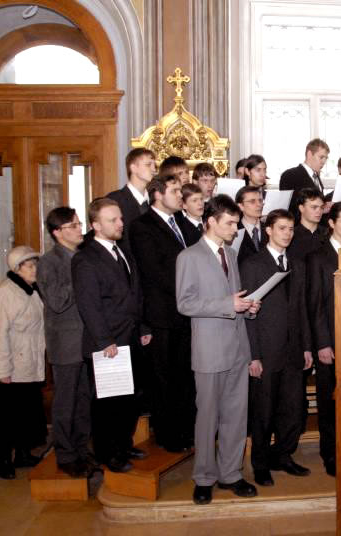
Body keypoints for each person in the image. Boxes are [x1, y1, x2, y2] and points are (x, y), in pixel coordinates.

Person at [176, 194, 261, 505]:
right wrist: (228, 305)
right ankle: (203, 478)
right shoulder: (189, 257)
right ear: (210, 221)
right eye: (230, 223)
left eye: (236, 224)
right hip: (209, 350)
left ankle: (231, 474)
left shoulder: (231, 254)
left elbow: (234, 299)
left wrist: (247, 308)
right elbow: (185, 303)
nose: (235, 229)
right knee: (208, 418)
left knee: (236, 417)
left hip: (238, 347)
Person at [72, 198, 152, 473]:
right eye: (112, 220)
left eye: (120, 219)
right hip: (107, 344)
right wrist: (105, 341)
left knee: (131, 398)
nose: (120, 224)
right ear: (95, 225)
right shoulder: (85, 258)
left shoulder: (123, 251)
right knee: (108, 404)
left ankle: (124, 444)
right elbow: (89, 305)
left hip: (131, 338)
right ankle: (108, 454)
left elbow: (136, 294)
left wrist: (143, 328)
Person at [241, 209, 313, 487]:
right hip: (266, 351)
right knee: (263, 411)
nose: (288, 234)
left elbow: (302, 309)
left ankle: (282, 455)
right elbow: (247, 315)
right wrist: (253, 356)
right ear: (268, 230)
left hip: (293, 350)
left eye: (291, 229)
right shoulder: (252, 264)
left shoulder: (297, 263)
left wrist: (306, 347)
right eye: (282, 228)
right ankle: (260, 464)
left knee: (292, 410)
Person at [129, 175, 196, 453]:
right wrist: (192, 288)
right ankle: (168, 435)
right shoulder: (142, 226)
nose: (181, 195)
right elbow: (155, 272)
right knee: (163, 379)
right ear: (157, 194)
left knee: (184, 376)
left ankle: (186, 430)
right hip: (161, 315)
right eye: (175, 190)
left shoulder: (181, 223)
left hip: (185, 312)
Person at [0, 245, 46, 479]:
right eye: (29, 266)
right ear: (17, 269)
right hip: (6, 370)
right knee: (7, 419)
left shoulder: (31, 291)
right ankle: (3, 459)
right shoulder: (4, 295)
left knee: (25, 415)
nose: (34, 269)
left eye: (35, 264)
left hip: (25, 365)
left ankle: (23, 455)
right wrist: (2, 371)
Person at [37, 208, 95, 478]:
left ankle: (82, 449)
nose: (80, 229)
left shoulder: (83, 256)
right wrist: (79, 276)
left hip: (87, 340)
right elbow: (57, 301)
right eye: (73, 226)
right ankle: (65, 454)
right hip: (66, 343)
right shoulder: (49, 262)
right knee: (66, 401)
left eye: (79, 224)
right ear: (57, 232)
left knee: (84, 400)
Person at [306, 202, 341, 477]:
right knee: (329, 400)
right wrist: (322, 343)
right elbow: (315, 306)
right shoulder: (318, 257)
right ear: (332, 224)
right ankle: (331, 452)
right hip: (331, 341)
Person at [106, 148, 156, 248]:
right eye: (148, 165)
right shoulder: (115, 200)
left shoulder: (155, 200)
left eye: (155, 165)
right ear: (133, 168)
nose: (154, 170)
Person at [287, 188, 328, 261]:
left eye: (321, 207)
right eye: (314, 207)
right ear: (301, 208)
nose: (319, 211)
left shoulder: (328, 234)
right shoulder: (290, 235)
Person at [236, 185, 268, 266]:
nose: (259, 205)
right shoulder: (235, 231)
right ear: (241, 206)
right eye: (252, 201)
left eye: (260, 200)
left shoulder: (269, 229)